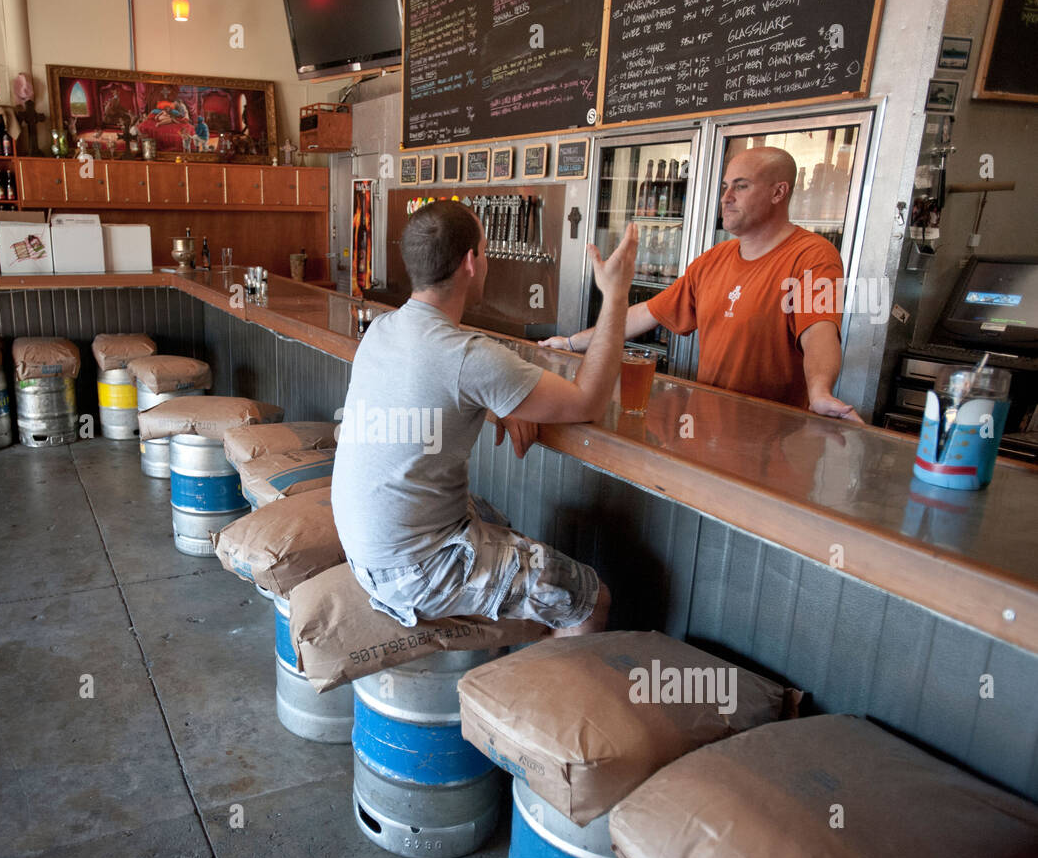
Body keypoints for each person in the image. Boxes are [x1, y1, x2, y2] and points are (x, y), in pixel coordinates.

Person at [330, 199, 641, 636]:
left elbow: (431, 389)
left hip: (366, 552)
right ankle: (524, 680)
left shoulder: (381, 329)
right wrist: (616, 296)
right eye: (486, 251)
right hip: (420, 570)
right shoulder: (467, 356)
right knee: (590, 600)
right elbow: (589, 401)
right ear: (471, 262)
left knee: (498, 521)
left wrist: (502, 402)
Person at [541, 146, 859, 421]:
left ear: (778, 193)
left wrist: (820, 391)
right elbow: (646, 313)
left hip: (772, 433)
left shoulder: (814, 256)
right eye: (725, 187)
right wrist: (572, 343)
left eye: (741, 186)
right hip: (708, 423)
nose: (726, 198)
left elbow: (819, 331)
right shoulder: (714, 259)